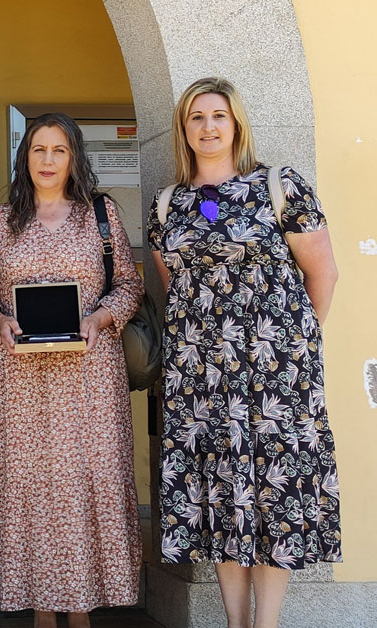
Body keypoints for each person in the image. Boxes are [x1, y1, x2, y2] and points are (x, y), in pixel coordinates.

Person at [149, 77, 341, 628]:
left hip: (278, 378)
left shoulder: (281, 186)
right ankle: (235, 623)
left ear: (236, 124)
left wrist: (292, 347)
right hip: (200, 380)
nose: (208, 127)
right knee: (221, 499)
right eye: (196, 118)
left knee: (274, 494)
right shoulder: (168, 206)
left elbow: (322, 271)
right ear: (183, 130)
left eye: (218, 116)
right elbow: (175, 286)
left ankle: (267, 624)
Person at [0, 112, 144, 628]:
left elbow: (129, 286)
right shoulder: (2, 220)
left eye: (58, 150)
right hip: (18, 383)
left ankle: (82, 611)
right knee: (32, 488)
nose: (47, 160)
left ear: (74, 157)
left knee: (86, 484)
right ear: (24, 157)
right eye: (37, 149)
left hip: (89, 378)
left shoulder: (101, 215)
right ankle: (42, 612)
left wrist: (101, 317)